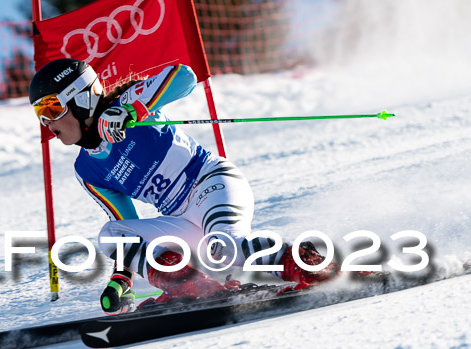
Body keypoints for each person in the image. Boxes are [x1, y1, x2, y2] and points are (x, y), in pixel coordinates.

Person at [29, 58, 336, 314]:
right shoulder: (86, 170)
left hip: (211, 184)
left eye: (52, 109)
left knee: (225, 249)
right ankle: (191, 287)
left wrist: (133, 110)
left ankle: (311, 265)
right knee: (111, 235)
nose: (47, 123)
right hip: (179, 219)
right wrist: (123, 278)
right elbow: (125, 225)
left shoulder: (126, 101)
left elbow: (183, 77)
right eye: (40, 114)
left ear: (80, 97)